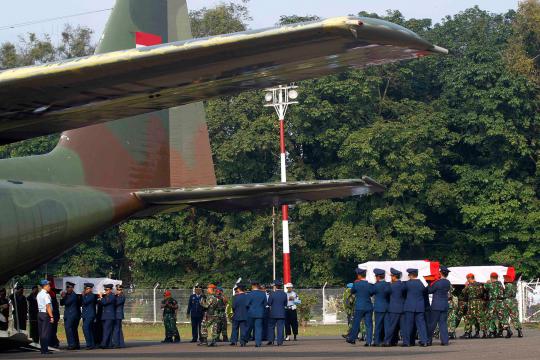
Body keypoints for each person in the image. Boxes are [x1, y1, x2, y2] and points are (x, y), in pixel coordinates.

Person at [346, 268, 374, 346]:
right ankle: (369, 341)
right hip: (368, 306)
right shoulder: (369, 284)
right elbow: (371, 293)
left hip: (359, 306)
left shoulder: (356, 284)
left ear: (359, 275)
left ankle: (352, 339)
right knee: (369, 324)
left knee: (356, 323)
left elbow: (352, 291)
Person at [403, 268, 428, 347]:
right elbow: (425, 291)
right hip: (419, 306)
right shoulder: (422, 284)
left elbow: (403, 292)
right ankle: (424, 341)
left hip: (409, 306)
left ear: (410, 275)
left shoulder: (407, 284)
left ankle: (407, 342)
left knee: (408, 325)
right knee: (421, 325)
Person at [427, 266, 451, 346]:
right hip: (444, 305)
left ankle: (428, 340)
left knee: (432, 324)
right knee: (443, 323)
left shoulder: (437, 283)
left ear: (440, 273)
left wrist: (429, 283)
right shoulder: (448, 282)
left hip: (436, 305)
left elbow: (430, 291)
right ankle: (445, 341)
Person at [384, 268, 406, 346]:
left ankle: (387, 341)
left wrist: (389, 284)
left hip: (393, 309)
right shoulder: (403, 285)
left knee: (391, 326)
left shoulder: (391, 285)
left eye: (391, 276)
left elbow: (385, 292)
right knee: (404, 327)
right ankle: (406, 342)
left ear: (394, 277)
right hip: (402, 308)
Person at [461, 273, 487, 339]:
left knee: (468, 318)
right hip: (479, 303)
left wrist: (466, 286)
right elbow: (483, 292)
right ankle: (483, 332)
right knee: (480, 318)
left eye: (467, 279)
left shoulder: (469, 286)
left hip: (472, 303)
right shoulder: (480, 285)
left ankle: (468, 333)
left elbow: (463, 292)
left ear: (469, 278)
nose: (467, 280)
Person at [60, 281, 81, 350]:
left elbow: (67, 302)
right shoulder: (67, 295)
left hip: (72, 315)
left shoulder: (73, 295)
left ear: (72, 288)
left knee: (68, 329)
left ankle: (72, 344)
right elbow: (61, 303)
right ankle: (76, 344)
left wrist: (64, 297)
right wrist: (63, 297)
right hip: (69, 314)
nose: (67, 289)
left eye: (68, 287)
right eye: (67, 287)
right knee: (73, 329)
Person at [372, 268, 391, 346]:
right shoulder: (388, 284)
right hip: (387, 307)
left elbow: (372, 293)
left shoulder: (376, 285)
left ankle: (377, 341)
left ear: (378, 277)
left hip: (379, 307)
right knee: (387, 326)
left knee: (378, 325)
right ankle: (387, 341)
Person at [246, 280, 267, 347]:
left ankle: (244, 340)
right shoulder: (263, 294)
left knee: (248, 327)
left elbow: (247, 304)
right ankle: (258, 343)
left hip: (251, 313)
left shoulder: (249, 294)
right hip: (260, 313)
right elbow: (265, 304)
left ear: (252, 286)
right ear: (258, 285)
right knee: (258, 328)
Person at [267, 280, 288, 346]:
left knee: (271, 327)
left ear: (275, 286)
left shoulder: (272, 294)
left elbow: (269, 303)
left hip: (273, 313)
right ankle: (280, 342)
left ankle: (271, 340)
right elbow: (285, 304)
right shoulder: (284, 294)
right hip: (281, 313)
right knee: (280, 328)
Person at [37, 280, 54, 355]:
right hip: (45, 314)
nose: (50, 287)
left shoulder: (39, 294)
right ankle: (45, 350)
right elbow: (48, 306)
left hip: (40, 313)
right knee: (45, 333)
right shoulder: (46, 294)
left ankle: (43, 349)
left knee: (41, 332)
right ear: (45, 286)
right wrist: (51, 316)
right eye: (49, 285)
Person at [484, 272, 505, 338]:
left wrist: (487, 282)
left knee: (490, 317)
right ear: (497, 277)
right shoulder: (500, 284)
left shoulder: (490, 284)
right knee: (501, 317)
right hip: (500, 302)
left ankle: (492, 332)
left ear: (491, 277)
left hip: (493, 302)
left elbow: (485, 287)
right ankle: (501, 332)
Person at [99, 284, 116, 349]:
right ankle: (109, 344)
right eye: (105, 289)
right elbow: (101, 302)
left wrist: (101, 297)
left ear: (110, 290)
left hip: (109, 316)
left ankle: (104, 344)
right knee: (107, 330)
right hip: (105, 315)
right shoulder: (106, 296)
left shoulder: (112, 296)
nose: (105, 291)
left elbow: (105, 302)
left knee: (106, 330)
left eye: (107, 289)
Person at [81, 283, 97, 350]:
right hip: (85, 314)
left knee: (85, 328)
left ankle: (89, 344)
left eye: (87, 289)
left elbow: (85, 302)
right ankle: (92, 344)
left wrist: (83, 296)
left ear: (90, 289)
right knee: (89, 329)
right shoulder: (86, 295)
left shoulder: (92, 295)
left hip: (90, 315)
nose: (85, 290)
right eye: (85, 289)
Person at [48, 282, 60, 348]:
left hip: (54, 316)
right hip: (53, 315)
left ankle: (54, 342)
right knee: (52, 330)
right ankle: (54, 342)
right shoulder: (52, 299)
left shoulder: (53, 299)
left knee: (53, 330)